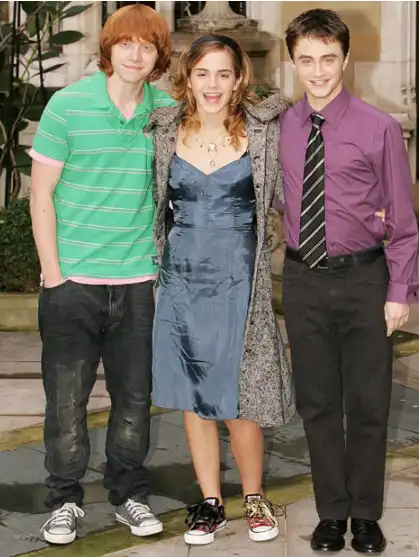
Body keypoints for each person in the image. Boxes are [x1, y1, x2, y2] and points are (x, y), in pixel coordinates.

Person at [29, 4, 175, 545]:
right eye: (126, 43)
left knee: (134, 399)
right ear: (108, 48)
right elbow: (40, 195)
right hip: (73, 282)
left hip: (138, 282)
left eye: (147, 45)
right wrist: (54, 274)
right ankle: (64, 499)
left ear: (159, 56)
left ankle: (128, 494)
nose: (136, 54)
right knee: (66, 402)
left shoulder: (167, 111)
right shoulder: (68, 106)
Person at [280, 8, 419, 555]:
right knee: (316, 404)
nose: (318, 71)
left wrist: (398, 291)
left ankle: (365, 515)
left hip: (364, 280)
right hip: (304, 280)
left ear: (345, 59)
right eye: (306, 60)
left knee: (367, 403)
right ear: (293, 63)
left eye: (328, 59)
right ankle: (330, 514)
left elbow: (402, 220)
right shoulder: (280, 127)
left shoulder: (378, 127)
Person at [147, 34, 294, 546]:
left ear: (238, 80)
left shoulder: (264, 130)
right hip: (181, 279)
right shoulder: (164, 130)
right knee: (193, 392)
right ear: (187, 78)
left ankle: (254, 497)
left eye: (223, 74)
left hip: (240, 280)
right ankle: (210, 501)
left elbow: (292, 194)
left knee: (240, 394)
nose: (212, 85)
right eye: (203, 73)